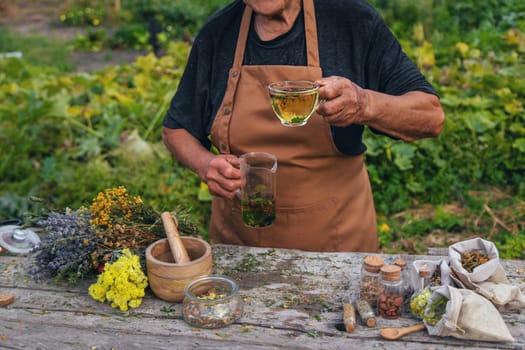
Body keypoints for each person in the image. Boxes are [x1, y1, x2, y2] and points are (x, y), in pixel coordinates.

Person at [161, 0, 445, 252]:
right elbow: (176, 129)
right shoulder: (219, 33)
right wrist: (204, 164)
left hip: (336, 249)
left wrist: (364, 103)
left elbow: (430, 116)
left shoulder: (351, 22)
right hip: (240, 251)